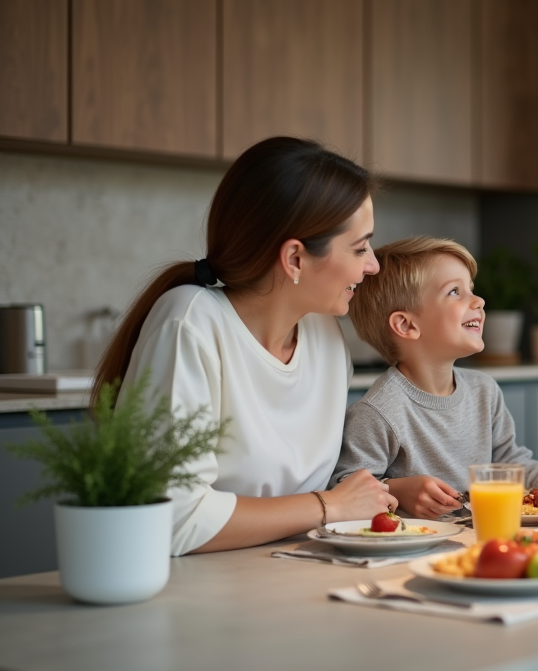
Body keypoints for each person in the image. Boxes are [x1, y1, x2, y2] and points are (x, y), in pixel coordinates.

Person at [96, 136, 398, 557]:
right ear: (294, 258)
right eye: (360, 247)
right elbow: (171, 518)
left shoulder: (326, 337)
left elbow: (317, 500)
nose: (372, 265)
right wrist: (328, 506)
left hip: (300, 571)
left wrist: (389, 491)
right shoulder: (190, 322)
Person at [331, 236, 538, 518]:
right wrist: (398, 490)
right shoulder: (378, 411)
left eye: (471, 289)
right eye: (454, 292)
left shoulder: (484, 391)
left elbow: (511, 463)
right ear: (406, 325)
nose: (479, 301)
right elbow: (345, 486)